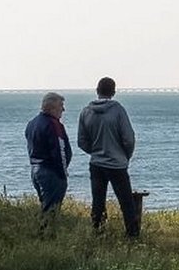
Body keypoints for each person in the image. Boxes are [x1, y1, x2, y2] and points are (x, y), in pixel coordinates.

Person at [77, 77, 139, 237]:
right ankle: (132, 235)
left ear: (97, 91)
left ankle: (97, 232)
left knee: (98, 201)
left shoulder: (86, 111)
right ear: (113, 91)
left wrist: (96, 151)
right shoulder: (118, 110)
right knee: (126, 202)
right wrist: (126, 155)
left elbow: (82, 141)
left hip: (96, 163)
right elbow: (128, 138)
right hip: (117, 164)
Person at [25, 92, 72, 236]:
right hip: (50, 171)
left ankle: (43, 236)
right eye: (61, 106)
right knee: (52, 209)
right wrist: (63, 173)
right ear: (52, 108)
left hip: (35, 168)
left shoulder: (32, 123)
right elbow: (60, 150)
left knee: (45, 205)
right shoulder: (53, 124)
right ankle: (46, 237)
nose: (63, 110)